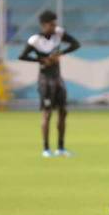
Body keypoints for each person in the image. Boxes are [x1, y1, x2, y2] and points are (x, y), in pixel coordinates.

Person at [19, 10, 80, 156]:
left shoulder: (58, 34)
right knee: (47, 114)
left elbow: (76, 44)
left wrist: (60, 53)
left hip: (58, 79)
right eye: (51, 24)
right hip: (45, 80)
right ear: (44, 25)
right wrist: (41, 60)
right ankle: (46, 149)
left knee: (63, 112)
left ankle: (61, 148)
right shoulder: (35, 40)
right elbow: (22, 56)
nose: (54, 26)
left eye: (55, 23)